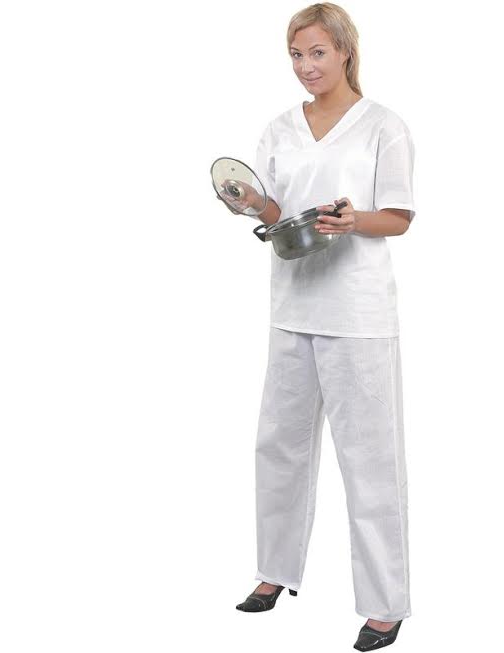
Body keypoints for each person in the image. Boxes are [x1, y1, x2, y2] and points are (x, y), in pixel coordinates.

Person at [220, 4, 416, 650]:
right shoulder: (279, 128)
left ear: (345, 52)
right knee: (278, 445)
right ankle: (274, 570)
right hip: (292, 307)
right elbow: (277, 210)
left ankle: (384, 603)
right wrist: (253, 203)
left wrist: (352, 220)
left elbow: (398, 217)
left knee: (371, 459)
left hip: (357, 315)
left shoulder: (383, 126)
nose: (306, 66)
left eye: (317, 53)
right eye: (296, 55)